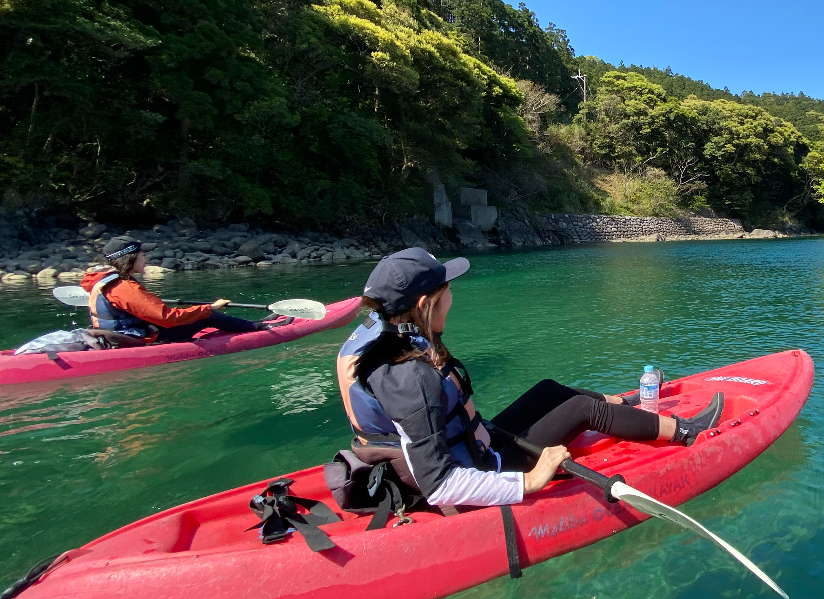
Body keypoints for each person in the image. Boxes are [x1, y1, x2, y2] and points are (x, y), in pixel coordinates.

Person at [338, 248, 723, 508]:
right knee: (582, 409)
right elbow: (440, 485)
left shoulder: (387, 338)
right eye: (448, 289)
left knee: (548, 390)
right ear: (424, 304)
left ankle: (627, 406)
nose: (454, 297)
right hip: (485, 466)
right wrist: (533, 479)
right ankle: (687, 431)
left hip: (480, 442)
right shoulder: (410, 377)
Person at [79, 236, 274, 344]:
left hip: (118, 334)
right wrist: (210, 308)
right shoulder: (123, 287)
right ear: (130, 258)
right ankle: (257, 328)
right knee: (206, 317)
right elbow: (167, 317)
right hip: (133, 339)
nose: (146, 258)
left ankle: (251, 324)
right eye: (142, 254)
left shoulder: (104, 280)